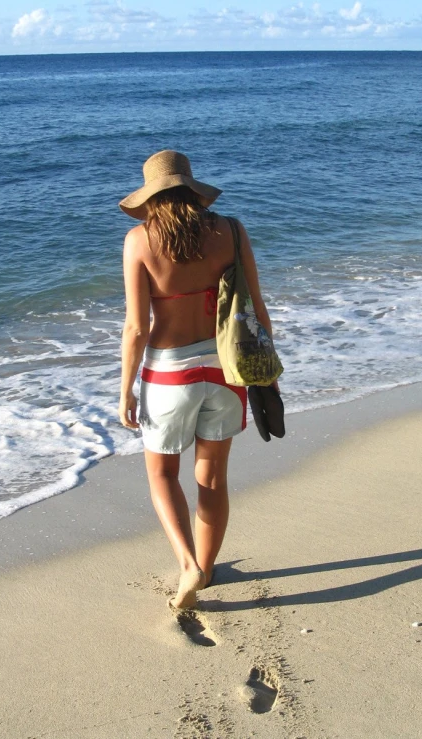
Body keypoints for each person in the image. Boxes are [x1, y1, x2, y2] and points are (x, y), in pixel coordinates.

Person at [118, 150, 275, 610]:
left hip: (169, 373)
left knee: (163, 472)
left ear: (150, 197)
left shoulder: (139, 241)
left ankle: (187, 562)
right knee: (212, 479)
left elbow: (136, 328)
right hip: (227, 370)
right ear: (192, 189)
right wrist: (268, 372)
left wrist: (124, 388)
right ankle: (204, 569)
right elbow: (256, 309)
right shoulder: (231, 231)